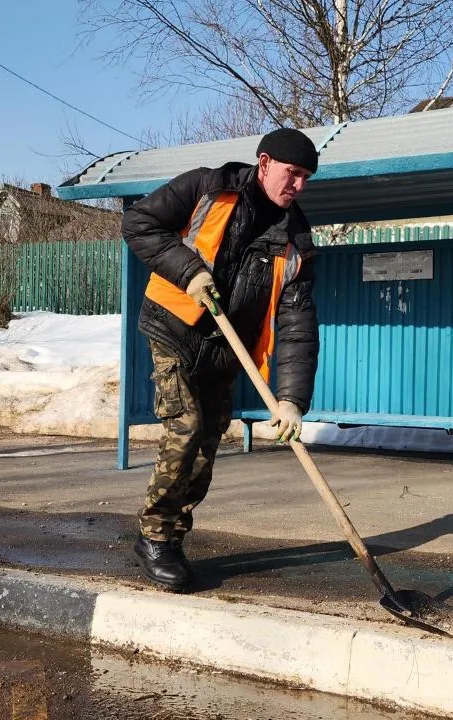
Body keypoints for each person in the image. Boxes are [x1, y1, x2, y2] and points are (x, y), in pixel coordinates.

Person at [121, 128, 321, 592]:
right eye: (293, 173)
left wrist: (290, 399)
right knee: (186, 427)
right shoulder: (207, 187)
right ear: (265, 163)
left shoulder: (295, 239)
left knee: (207, 443)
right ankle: (153, 535)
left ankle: (172, 536)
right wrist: (187, 271)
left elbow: (296, 323)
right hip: (175, 328)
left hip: (227, 349)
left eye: (307, 178)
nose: (298, 186)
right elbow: (138, 224)